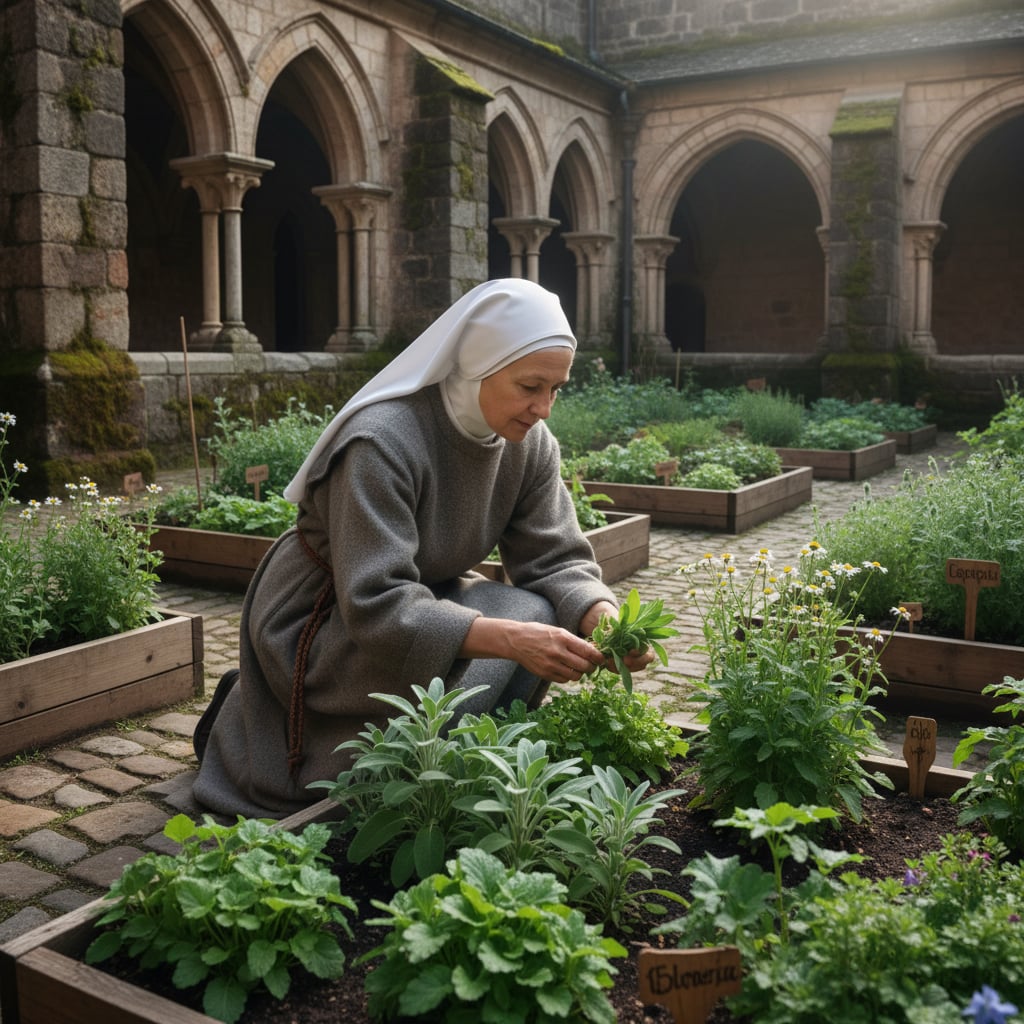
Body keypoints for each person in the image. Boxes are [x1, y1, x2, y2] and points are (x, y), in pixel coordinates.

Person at [192, 278, 653, 819]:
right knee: (517, 632)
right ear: (480, 364)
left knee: (541, 611)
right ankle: (258, 716)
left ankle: (461, 759)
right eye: (530, 386)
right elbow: (377, 604)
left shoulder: (530, 445)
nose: (544, 408)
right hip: (324, 620)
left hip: (420, 600)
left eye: (556, 389)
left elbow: (556, 558)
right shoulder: (381, 442)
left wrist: (602, 616)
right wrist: (510, 640)